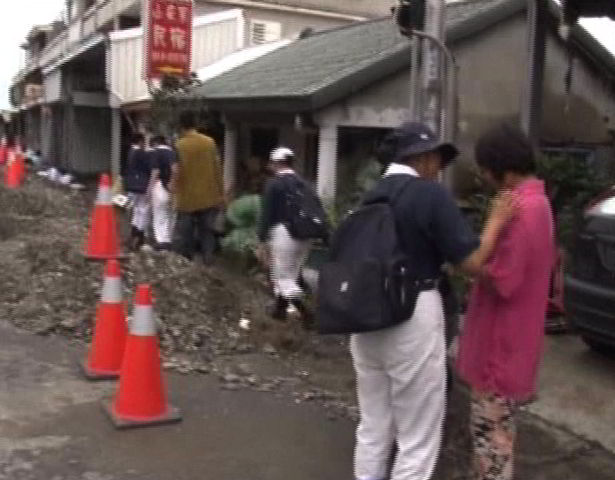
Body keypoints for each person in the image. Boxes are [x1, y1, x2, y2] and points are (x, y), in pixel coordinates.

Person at [350, 122, 517, 480]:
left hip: (364, 319)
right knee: (417, 436)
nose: (439, 170)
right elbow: (471, 263)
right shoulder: (428, 195)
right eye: (438, 161)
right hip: (412, 313)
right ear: (423, 158)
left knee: (374, 426)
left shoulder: (371, 194)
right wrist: (496, 222)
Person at [456, 124, 555, 480]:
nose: (484, 177)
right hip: (516, 343)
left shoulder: (518, 211)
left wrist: (490, 230)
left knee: (492, 446)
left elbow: (500, 278)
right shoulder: (539, 203)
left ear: (505, 170)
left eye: (486, 169)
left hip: (499, 349)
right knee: (495, 440)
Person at [257, 147, 312, 323]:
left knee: (282, 276)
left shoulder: (274, 184)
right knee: (292, 274)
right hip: (306, 235)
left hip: (284, 234)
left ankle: (307, 313)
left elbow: (267, 214)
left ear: (275, 163)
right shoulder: (304, 183)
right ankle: (279, 311)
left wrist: (261, 237)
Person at [170, 111, 224, 264]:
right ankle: (208, 261)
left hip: (187, 198)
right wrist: (221, 194)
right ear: (195, 125)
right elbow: (217, 168)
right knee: (207, 232)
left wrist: (172, 188)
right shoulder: (210, 143)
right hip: (209, 196)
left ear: (181, 127)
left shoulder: (179, 145)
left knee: (185, 234)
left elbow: (176, 170)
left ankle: (187, 262)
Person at [123, 133, 153, 251]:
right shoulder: (141, 153)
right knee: (143, 210)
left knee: (136, 210)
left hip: (132, 184)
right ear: (140, 141)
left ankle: (133, 234)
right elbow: (149, 167)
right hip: (141, 184)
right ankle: (139, 237)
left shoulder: (130, 151)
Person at [148, 135, 177, 251]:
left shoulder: (157, 153)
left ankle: (162, 241)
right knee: (171, 213)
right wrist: (173, 182)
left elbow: (155, 171)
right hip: (173, 186)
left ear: (155, 143)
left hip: (160, 185)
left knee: (159, 213)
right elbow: (175, 169)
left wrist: (149, 188)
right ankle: (169, 239)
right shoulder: (173, 152)